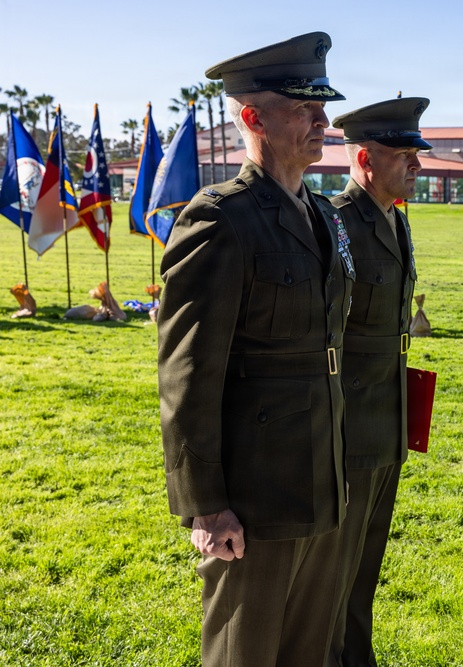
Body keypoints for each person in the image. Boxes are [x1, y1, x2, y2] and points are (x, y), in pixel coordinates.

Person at [157, 32, 355, 667]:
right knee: (245, 651)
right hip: (255, 489)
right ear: (253, 118)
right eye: (303, 108)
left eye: (321, 107)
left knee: (310, 649)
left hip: (321, 473)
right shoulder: (221, 218)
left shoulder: (322, 215)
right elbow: (189, 371)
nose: (322, 120)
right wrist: (206, 505)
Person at [325, 97, 430, 667]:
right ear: (365, 157)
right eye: (404, 154)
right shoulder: (336, 222)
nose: (416, 164)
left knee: (366, 564)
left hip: (388, 419)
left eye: (417, 153)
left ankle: (355, 656)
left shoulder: (396, 218)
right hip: (348, 421)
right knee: (335, 569)